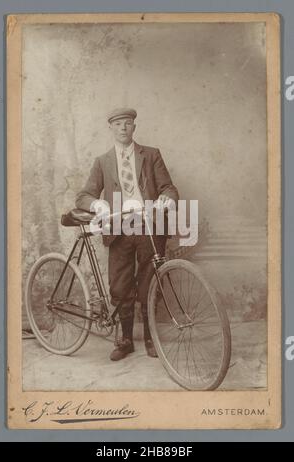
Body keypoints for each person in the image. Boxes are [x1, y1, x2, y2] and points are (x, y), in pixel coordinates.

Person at [76, 108, 179, 361]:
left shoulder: (151, 155)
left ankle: (149, 337)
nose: (123, 128)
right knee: (120, 287)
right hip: (119, 229)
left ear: (134, 127)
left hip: (149, 226)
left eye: (128, 123)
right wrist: (97, 205)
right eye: (118, 124)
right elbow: (83, 195)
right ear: (111, 128)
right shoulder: (103, 161)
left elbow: (168, 187)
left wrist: (167, 198)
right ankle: (124, 340)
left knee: (149, 283)